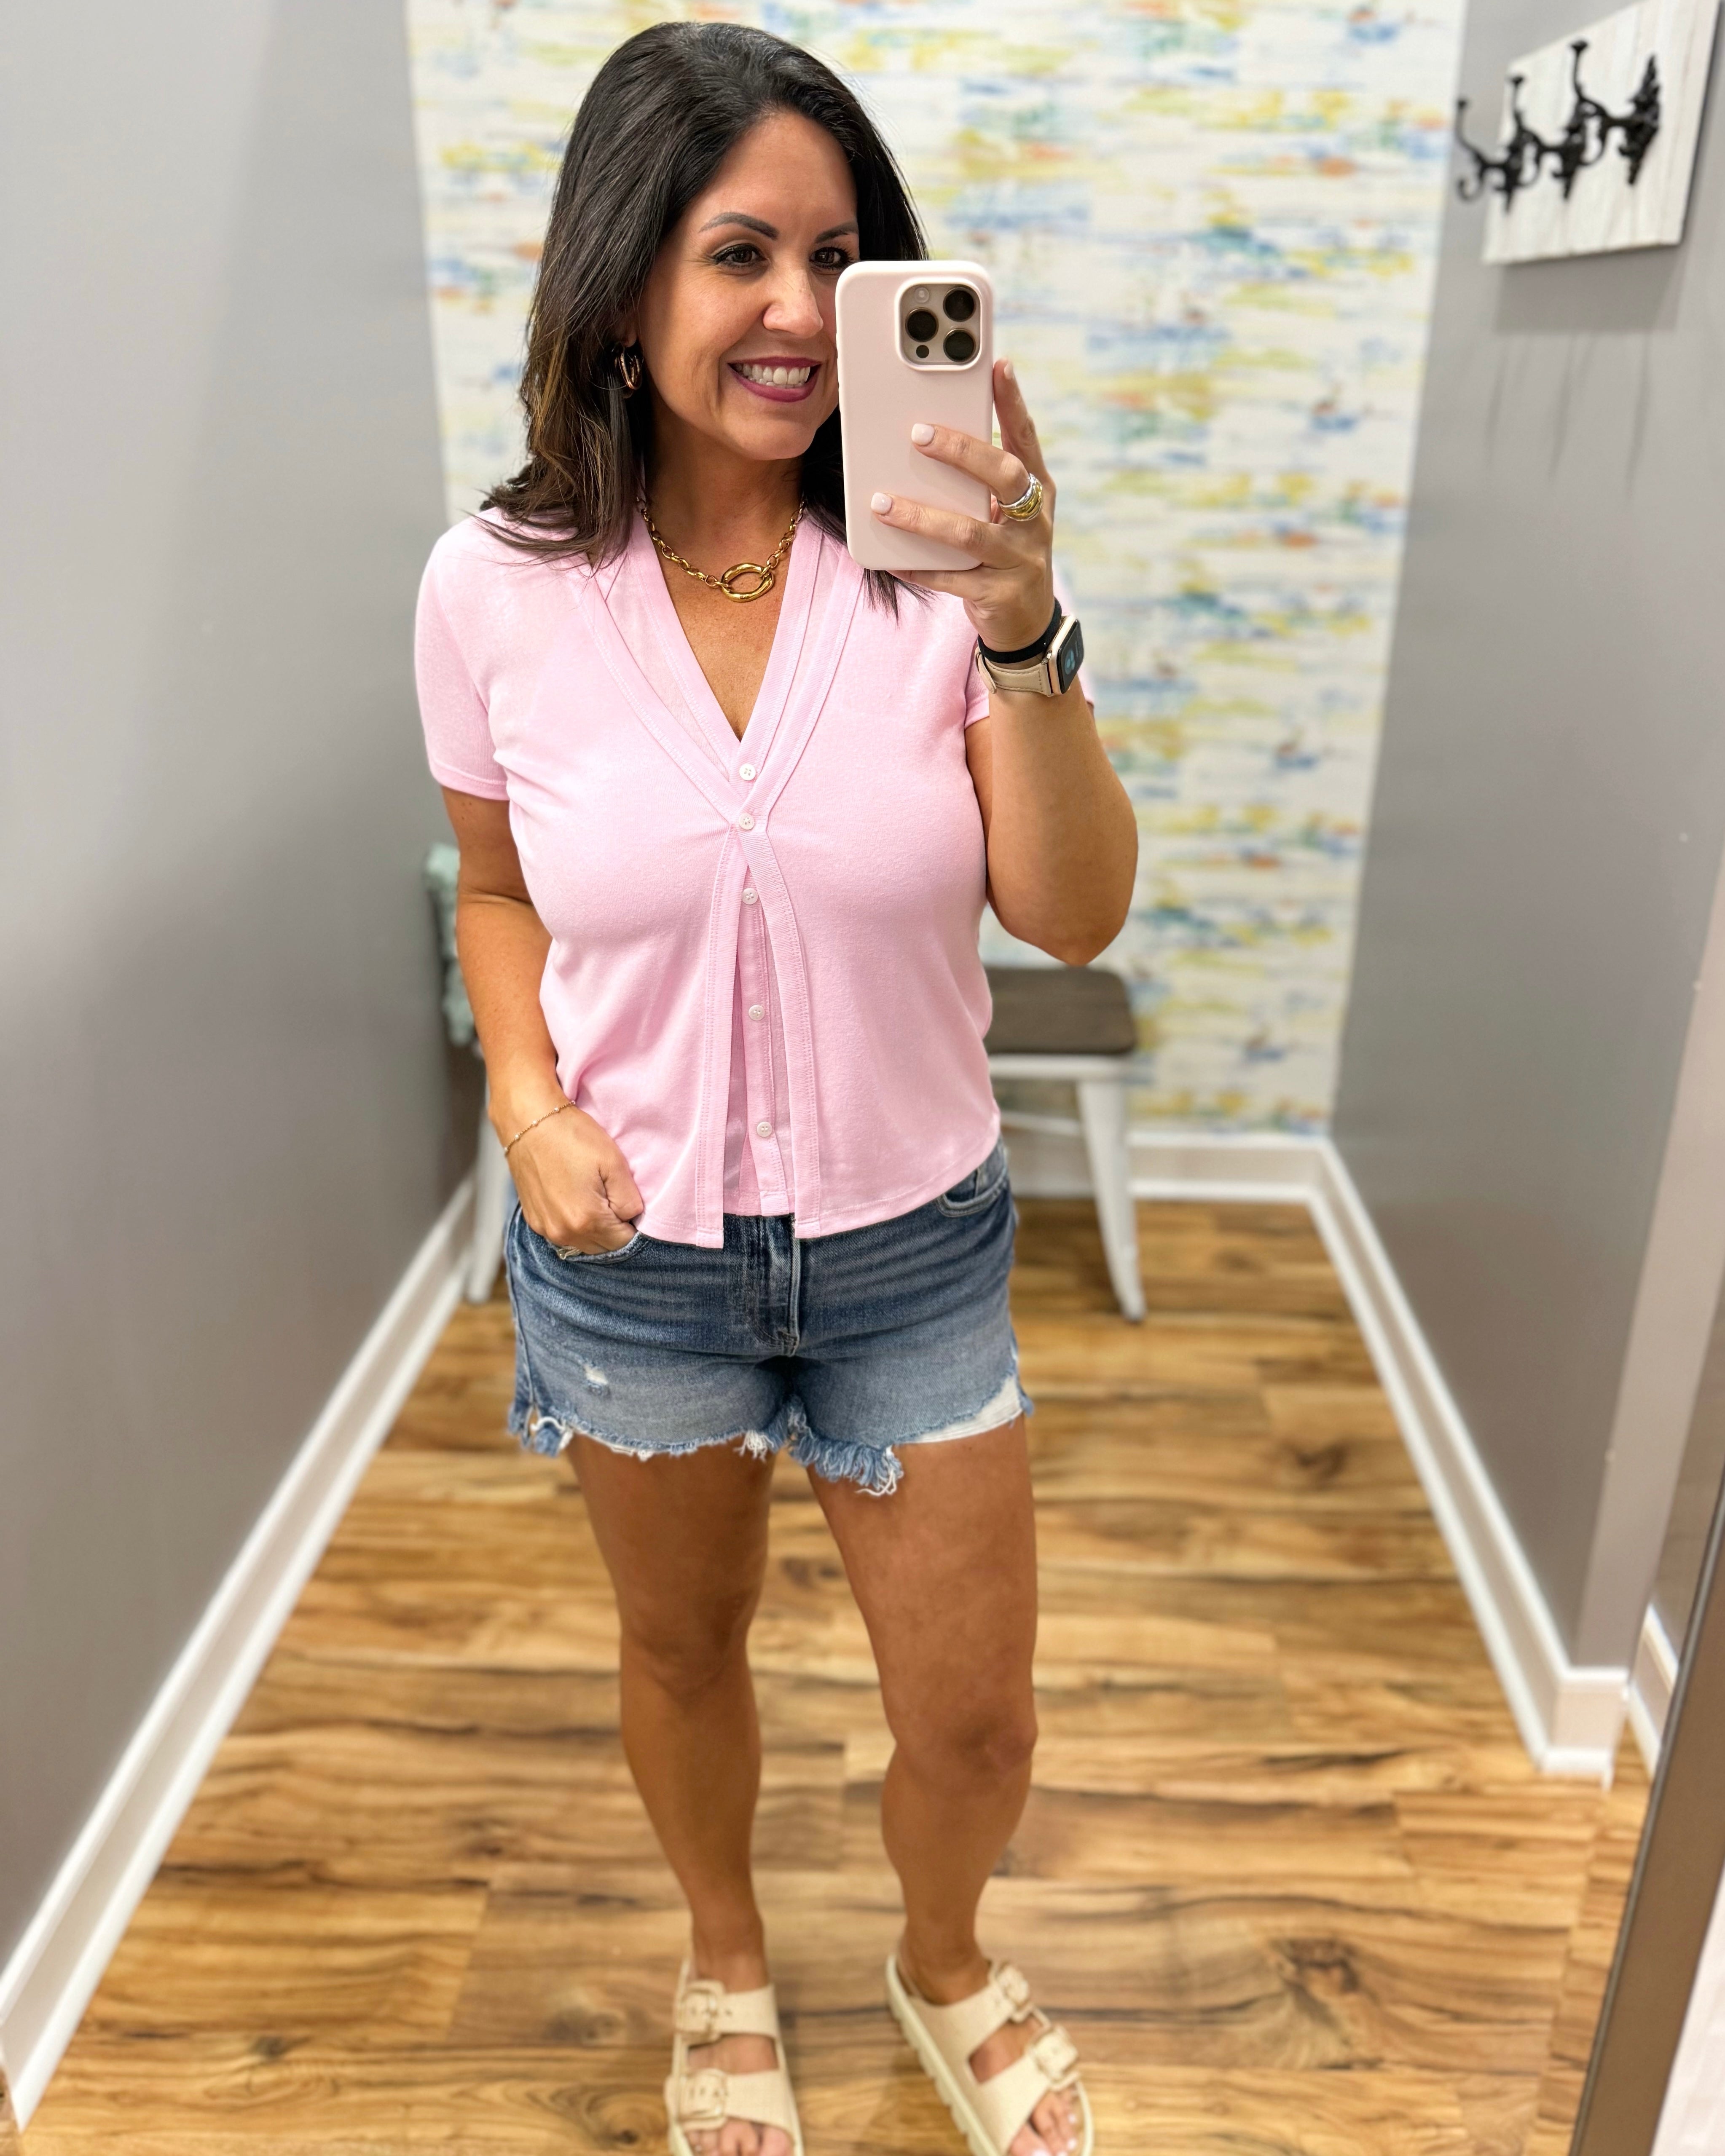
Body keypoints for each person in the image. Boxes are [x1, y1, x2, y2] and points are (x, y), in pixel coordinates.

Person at [414, 23, 1136, 2156]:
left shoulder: (933, 574)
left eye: (842, 258)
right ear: (625, 284)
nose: (803, 315)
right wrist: (527, 1102)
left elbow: (1072, 915)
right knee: (681, 1647)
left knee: (974, 1710)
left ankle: (940, 1953)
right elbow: (488, 885)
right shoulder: (494, 590)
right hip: (630, 1256)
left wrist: (1025, 627)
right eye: (743, 252)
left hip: (913, 1238)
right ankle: (723, 1951)